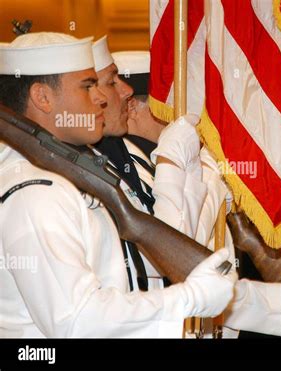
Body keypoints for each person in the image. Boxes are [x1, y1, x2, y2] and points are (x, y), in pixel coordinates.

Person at [0, 32, 236, 338]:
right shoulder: (34, 190)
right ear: (42, 97)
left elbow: (132, 277)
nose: (100, 97)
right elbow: (77, 321)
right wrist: (188, 298)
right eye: (87, 86)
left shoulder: (79, 172)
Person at [106, 47, 281, 337]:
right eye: (176, 102)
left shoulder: (168, 161)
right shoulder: (125, 174)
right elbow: (176, 254)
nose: (190, 112)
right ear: (133, 106)